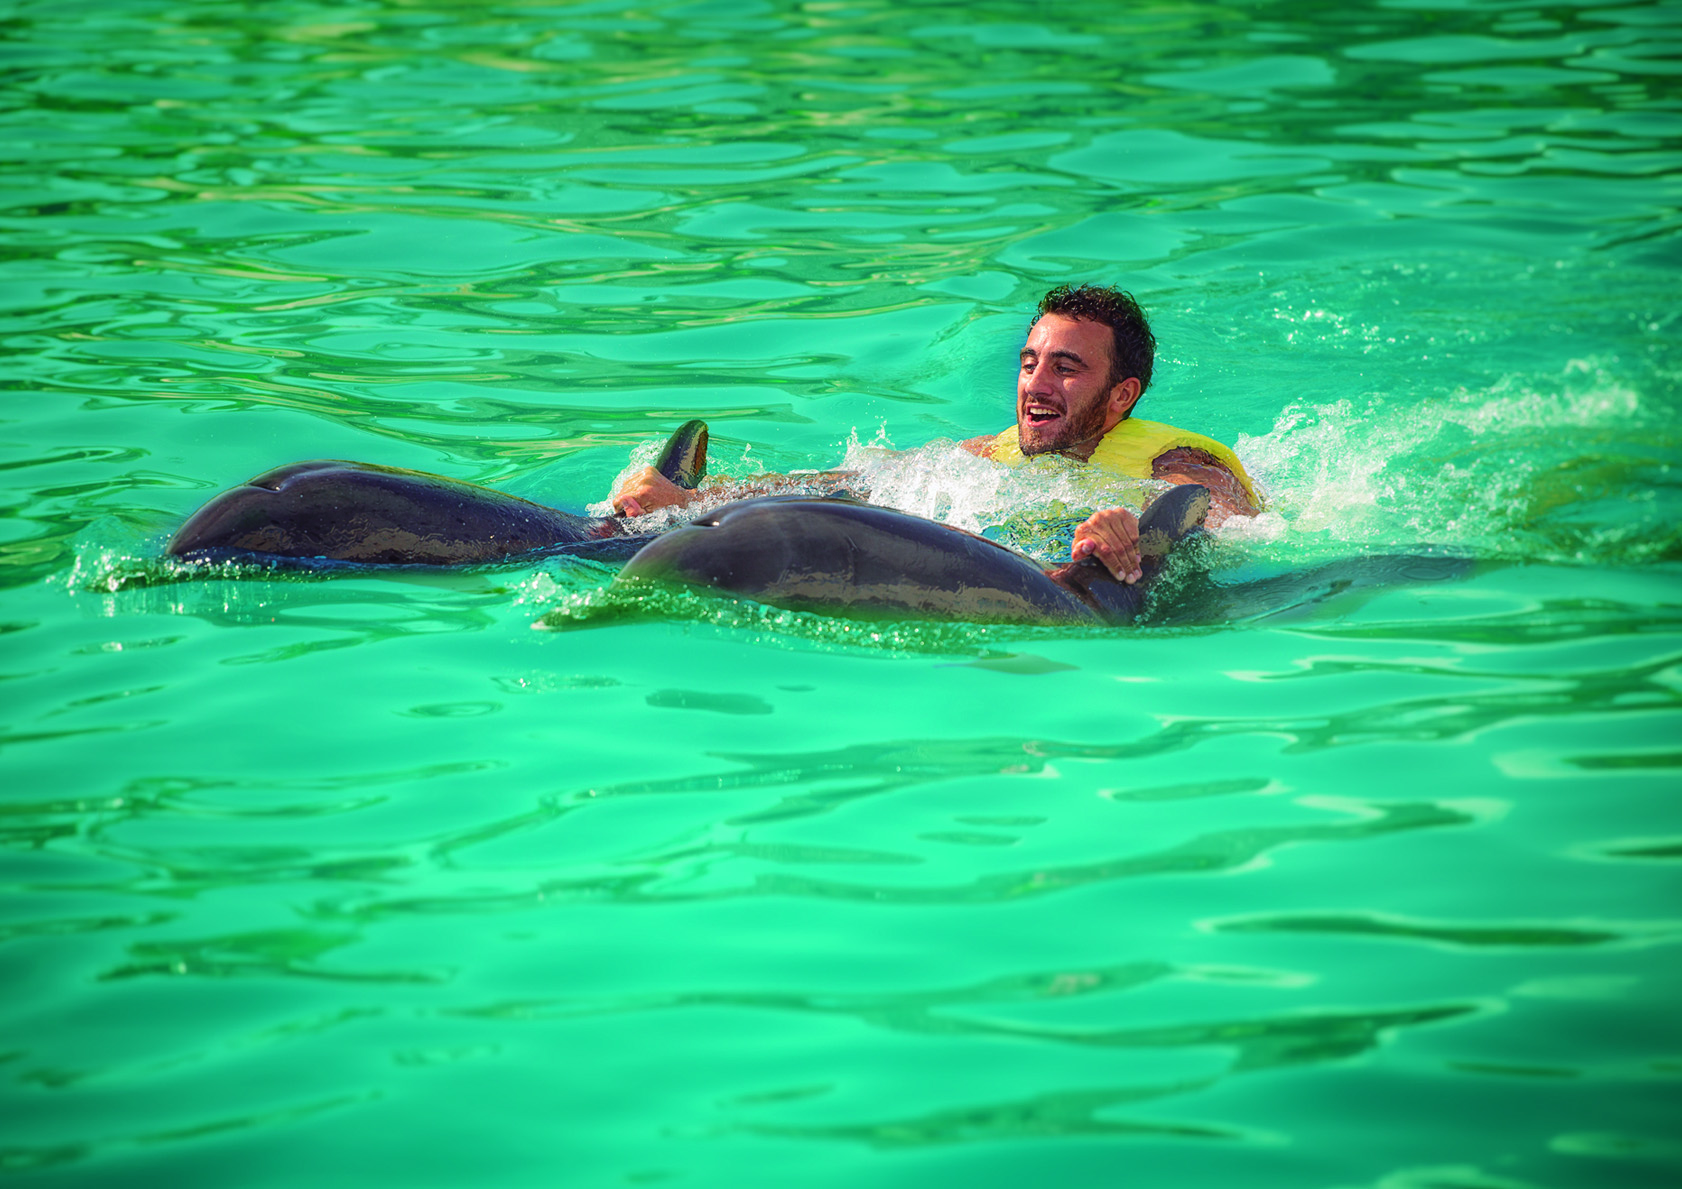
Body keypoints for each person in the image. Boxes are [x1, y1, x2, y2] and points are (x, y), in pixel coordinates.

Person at [612, 284, 1259, 587]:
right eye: (1029, 362)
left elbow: (1213, 510)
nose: (1036, 385)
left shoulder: (1175, 457)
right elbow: (861, 483)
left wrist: (1138, 529)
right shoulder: (995, 454)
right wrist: (694, 499)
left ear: (1122, 395)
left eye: (1066, 368)